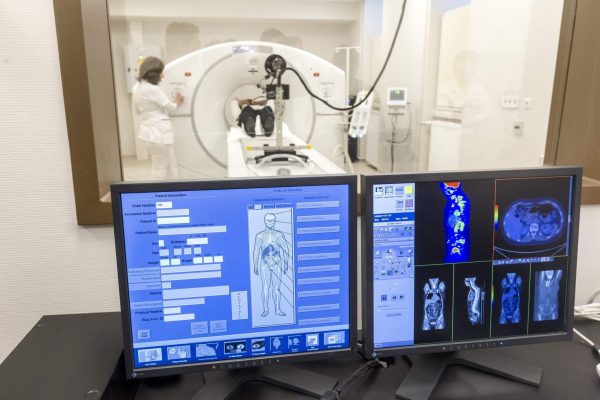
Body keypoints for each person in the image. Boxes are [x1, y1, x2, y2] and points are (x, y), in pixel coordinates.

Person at [132, 56, 184, 180]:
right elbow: (171, 108)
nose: (163, 75)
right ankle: (156, 192)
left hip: (151, 134)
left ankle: (176, 189)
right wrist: (177, 101)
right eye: (161, 73)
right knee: (159, 169)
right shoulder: (153, 89)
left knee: (172, 165)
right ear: (155, 74)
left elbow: (137, 110)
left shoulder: (137, 87)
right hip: (159, 134)